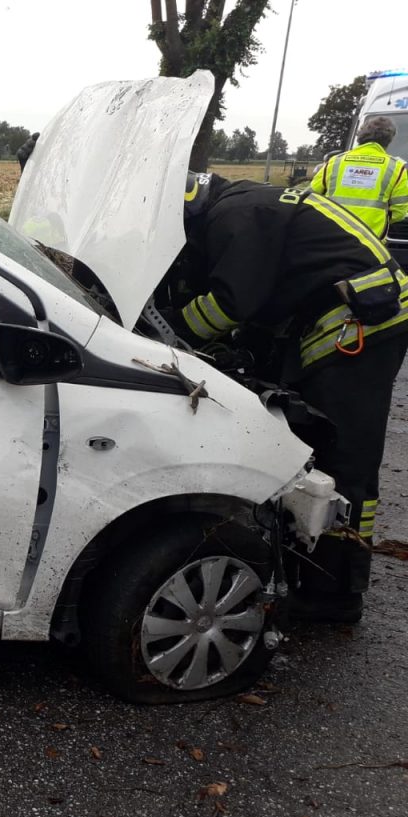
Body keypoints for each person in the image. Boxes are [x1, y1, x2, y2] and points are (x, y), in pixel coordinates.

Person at [173, 172, 408, 623]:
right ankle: (310, 568)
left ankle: (334, 595)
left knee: (343, 460)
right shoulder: (242, 200)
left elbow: (228, 304)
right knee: (311, 446)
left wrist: (166, 332)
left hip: (359, 326)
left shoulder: (237, 216)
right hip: (348, 313)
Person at [311, 116, 408, 241]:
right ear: (389, 140)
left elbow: (311, 197)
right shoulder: (396, 167)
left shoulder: (335, 162)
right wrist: (378, 218)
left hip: (333, 238)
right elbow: (400, 211)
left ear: (360, 136)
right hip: (371, 242)